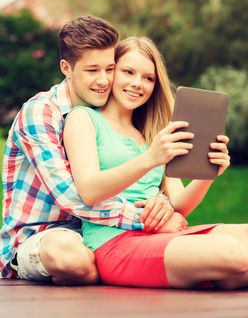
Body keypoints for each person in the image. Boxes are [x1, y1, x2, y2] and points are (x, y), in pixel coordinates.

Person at [63, 36, 248, 290]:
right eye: (128, 72)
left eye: (148, 78)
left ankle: (222, 275)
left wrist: (208, 173)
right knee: (230, 252)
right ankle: (223, 273)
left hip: (163, 236)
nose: (137, 84)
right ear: (112, 72)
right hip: (115, 243)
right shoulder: (83, 119)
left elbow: (179, 205)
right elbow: (89, 190)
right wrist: (150, 158)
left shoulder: (155, 133)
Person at [0, 16, 173, 285]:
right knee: (73, 257)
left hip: (98, 231)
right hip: (41, 235)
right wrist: (144, 219)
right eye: (92, 71)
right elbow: (71, 196)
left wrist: (160, 203)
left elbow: (134, 178)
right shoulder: (41, 113)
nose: (104, 80)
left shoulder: (104, 113)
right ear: (66, 68)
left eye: (110, 68)